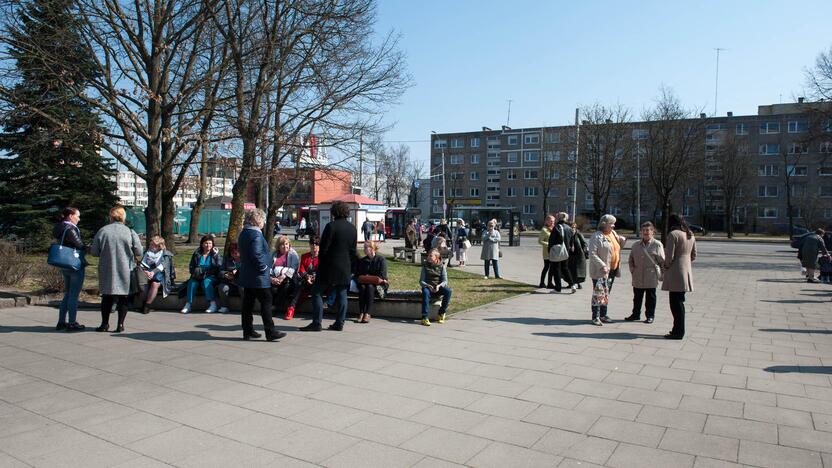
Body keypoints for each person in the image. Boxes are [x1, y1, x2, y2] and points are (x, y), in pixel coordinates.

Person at [299, 200, 358, 332]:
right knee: (342, 294)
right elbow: (353, 251)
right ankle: (339, 323)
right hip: (345, 268)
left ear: (334, 212)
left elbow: (324, 249)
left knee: (316, 292)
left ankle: (317, 322)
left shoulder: (331, 227)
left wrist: (320, 267)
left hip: (329, 267)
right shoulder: (352, 229)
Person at [90, 206, 142, 333]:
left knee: (106, 297)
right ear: (123, 217)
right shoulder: (130, 232)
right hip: (125, 269)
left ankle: (104, 324)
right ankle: (120, 325)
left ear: (110, 216)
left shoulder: (102, 231)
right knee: (123, 298)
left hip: (107, 268)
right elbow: (139, 251)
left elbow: (94, 252)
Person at [238, 208, 285, 341]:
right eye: (263, 220)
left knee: (248, 303)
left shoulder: (244, 233)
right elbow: (256, 254)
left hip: (247, 274)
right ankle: (270, 331)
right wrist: (264, 267)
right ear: (257, 220)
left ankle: (247, 331)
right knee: (266, 301)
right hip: (258, 276)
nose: (264, 222)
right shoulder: (256, 235)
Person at [587, 214, 627, 326]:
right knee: (598, 293)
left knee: (606, 293)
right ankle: (596, 317)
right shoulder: (596, 236)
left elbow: (617, 247)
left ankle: (603, 315)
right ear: (604, 224)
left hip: (612, 270)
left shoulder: (613, 234)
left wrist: (622, 241)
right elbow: (592, 253)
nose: (614, 226)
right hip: (601, 271)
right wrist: (602, 265)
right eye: (611, 224)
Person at [662, 214, 697, 340]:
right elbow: (694, 255)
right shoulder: (690, 234)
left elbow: (669, 257)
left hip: (675, 272)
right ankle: (678, 330)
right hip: (686, 271)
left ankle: (678, 331)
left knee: (675, 304)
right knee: (680, 302)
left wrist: (665, 267)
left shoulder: (673, 234)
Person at [53, 207, 87, 331]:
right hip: (74, 264)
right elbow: (80, 245)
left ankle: (61, 321)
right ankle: (72, 322)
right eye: (77, 216)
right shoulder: (70, 229)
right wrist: (86, 246)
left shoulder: (60, 227)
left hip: (65, 264)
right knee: (73, 295)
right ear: (71, 216)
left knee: (67, 294)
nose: (79, 218)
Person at [625, 222, 665, 324]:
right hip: (638, 275)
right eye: (644, 231)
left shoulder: (657, 244)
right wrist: (633, 270)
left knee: (650, 298)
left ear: (653, 232)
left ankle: (650, 316)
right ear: (641, 232)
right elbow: (631, 260)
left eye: (648, 230)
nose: (646, 232)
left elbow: (662, 261)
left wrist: (662, 274)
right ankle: (635, 314)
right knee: (637, 297)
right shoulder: (635, 245)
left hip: (651, 275)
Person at [182, 235, 221, 314]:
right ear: (202, 244)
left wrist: (206, 273)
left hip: (211, 276)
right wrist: (195, 272)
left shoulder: (215, 254)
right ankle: (188, 304)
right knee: (192, 283)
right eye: (206, 243)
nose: (208, 245)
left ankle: (213, 304)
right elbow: (191, 267)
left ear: (213, 244)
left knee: (206, 282)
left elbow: (218, 267)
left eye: (210, 243)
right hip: (198, 276)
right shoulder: (197, 254)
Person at [285, 235, 320, 320]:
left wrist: (313, 278)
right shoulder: (305, 256)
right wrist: (307, 277)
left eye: (316, 244)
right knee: (300, 284)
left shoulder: (322, 257)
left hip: (318, 281)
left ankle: (292, 306)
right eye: (312, 244)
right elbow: (301, 270)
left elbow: (322, 271)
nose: (314, 246)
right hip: (305, 281)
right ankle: (291, 309)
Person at [138, 235, 175, 315]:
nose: (150, 246)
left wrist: (152, 272)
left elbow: (162, 266)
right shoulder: (147, 252)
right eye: (150, 244)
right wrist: (147, 272)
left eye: (153, 245)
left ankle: (147, 305)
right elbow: (142, 264)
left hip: (161, 276)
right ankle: (143, 303)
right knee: (144, 284)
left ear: (159, 246)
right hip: (147, 274)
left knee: (155, 284)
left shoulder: (166, 254)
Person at [355, 240, 388, 323]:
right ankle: (361, 312)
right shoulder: (363, 260)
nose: (364, 249)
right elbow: (358, 274)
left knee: (370, 286)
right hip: (364, 283)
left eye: (366, 247)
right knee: (362, 288)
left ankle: (368, 313)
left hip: (378, 284)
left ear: (372, 248)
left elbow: (382, 276)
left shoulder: (381, 259)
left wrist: (368, 277)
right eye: (364, 248)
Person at [419, 248, 451, 326]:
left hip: (438, 287)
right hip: (428, 287)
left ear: (436, 257)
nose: (428, 257)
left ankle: (441, 313)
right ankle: (425, 317)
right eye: (428, 256)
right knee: (425, 293)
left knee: (448, 291)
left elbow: (445, 281)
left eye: (431, 256)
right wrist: (427, 285)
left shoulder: (441, 266)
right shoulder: (425, 266)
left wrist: (439, 286)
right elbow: (421, 281)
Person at [270, 235, 299, 317]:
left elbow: (294, 268)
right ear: (278, 246)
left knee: (286, 286)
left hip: (288, 278)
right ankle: (270, 306)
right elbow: (268, 267)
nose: (285, 246)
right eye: (282, 244)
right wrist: (272, 278)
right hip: (275, 277)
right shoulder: (274, 254)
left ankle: (275, 306)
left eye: (286, 244)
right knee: (271, 287)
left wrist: (283, 276)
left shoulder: (293, 254)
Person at [547, 212, 576, 293]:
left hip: (557, 251)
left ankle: (558, 288)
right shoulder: (569, 228)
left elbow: (551, 241)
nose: (556, 218)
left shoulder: (556, 227)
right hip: (566, 252)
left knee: (556, 269)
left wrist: (549, 251)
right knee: (565, 268)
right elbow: (572, 241)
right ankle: (573, 284)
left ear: (559, 218)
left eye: (557, 217)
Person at [217, 242, 241, 314]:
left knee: (243, 288)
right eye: (232, 252)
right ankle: (224, 306)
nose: (234, 254)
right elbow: (220, 271)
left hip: (242, 282)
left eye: (236, 252)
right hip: (230, 282)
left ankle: (245, 306)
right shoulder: (227, 259)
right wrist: (225, 274)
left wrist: (238, 272)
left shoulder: (245, 259)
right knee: (222, 287)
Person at [538, 215, 555, 288]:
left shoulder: (553, 228)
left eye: (553, 221)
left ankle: (549, 283)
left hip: (553, 252)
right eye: (551, 221)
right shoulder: (544, 230)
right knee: (546, 267)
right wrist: (549, 244)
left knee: (552, 268)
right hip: (547, 252)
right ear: (546, 221)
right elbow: (540, 241)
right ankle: (542, 283)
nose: (552, 222)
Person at [569, 221, 588, 289]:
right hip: (570, 255)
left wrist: (584, 251)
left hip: (578, 255)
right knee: (571, 270)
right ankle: (571, 283)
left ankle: (578, 283)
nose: (572, 229)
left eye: (574, 227)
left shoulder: (578, 234)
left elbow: (584, 243)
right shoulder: (568, 234)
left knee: (578, 271)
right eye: (571, 227)